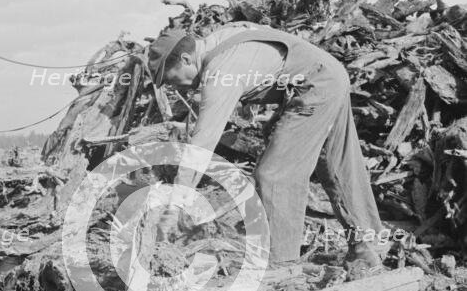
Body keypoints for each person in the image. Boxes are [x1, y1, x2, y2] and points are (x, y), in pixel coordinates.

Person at [147, 21, 385, 272]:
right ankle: (365, 248)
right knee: (334, 162)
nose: (175, 88)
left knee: (273, 175)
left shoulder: (221, 74)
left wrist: (175, 206)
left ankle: (281, 266)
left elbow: (202, 146)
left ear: (186, 58)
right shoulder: (222, 39)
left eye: (171, 80)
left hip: (316, 86)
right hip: (329, 74)